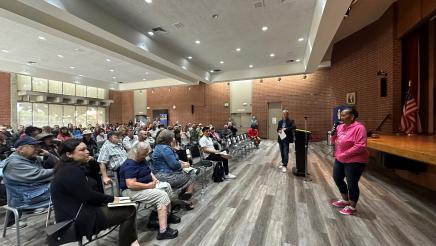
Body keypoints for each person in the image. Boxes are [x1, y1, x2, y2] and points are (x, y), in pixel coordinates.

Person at [51, 139, 140, 246]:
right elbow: (87, 195)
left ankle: (132, 241)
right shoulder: (71, 171)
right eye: (82, 150)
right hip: (78, 218)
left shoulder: (68, 168)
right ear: (69, 154)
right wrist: (112, 199)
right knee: (129, 210)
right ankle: (130, 243)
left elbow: (94, 176)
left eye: (86, 148)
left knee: (126, 206)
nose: (87, 151)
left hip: (76, 212)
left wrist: (92, 161)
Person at [120, 142, 179, 240]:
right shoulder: (129, 164)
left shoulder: (141, 159)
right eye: (144, 154)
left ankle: (164, 216)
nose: (146, 156)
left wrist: (154, 178)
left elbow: (148, 170)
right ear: (136, 152)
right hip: (131, 191)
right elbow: (131, 184)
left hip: (145, 186)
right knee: (162, 195)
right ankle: (163, 231)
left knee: (167, 186)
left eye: (146, 154)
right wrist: (148, 186)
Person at [2, 136, 54, 226]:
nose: (38, 149)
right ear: (20, 149)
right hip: (26, 199)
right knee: (67, 190)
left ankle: (65, 221)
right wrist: (62, 170)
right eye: (33, 146)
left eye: (38, 146)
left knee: (70, 185)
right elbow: (41, 175)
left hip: (36, 193)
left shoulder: (29, 158)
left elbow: (54, 164)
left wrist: (48, 155)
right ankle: (66, 224)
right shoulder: (15, 163)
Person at [330, 107, 368, 215]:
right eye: (340, 115)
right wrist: (333, 134)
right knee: (337, 177)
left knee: (352, 182)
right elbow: (334, 140)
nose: (340, 117)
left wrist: (345, 154)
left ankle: (352, 206)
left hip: (355, 160)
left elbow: (360, 146)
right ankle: (345, 200)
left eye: (343, 115)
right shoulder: (340, 126)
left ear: (352, 117)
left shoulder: (359, 128)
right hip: (340, 158)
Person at [151, 130, 196, 210]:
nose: (173, 138)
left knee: (189, 172)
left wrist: (182, 163)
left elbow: (174, 160)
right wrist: (184, 165)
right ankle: (186, 198)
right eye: (172, 137)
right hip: (166, 176)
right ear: (168, 138)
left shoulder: (159, 146)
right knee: (192, 173)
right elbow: (174, 165)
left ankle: (184, 196)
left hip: (161, 174)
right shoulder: (165, 149)